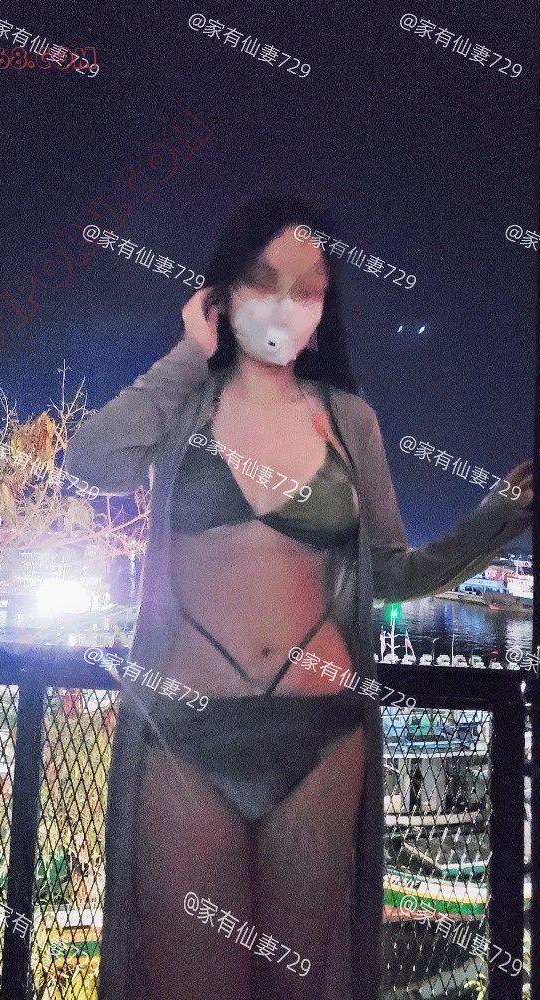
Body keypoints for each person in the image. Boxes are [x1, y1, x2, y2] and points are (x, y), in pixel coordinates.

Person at [65, 197, 533, 1000]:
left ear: (323, 310)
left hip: (322, 739)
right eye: (263, 279)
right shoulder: (186, 406)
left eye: (307, 287)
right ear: (224, 291)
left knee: (298, 983)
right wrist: (188, 351)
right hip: (183, 734)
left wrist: (492, 522)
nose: (284, 304)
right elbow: (92, 461)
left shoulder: (349, 421)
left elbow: (391, 574)